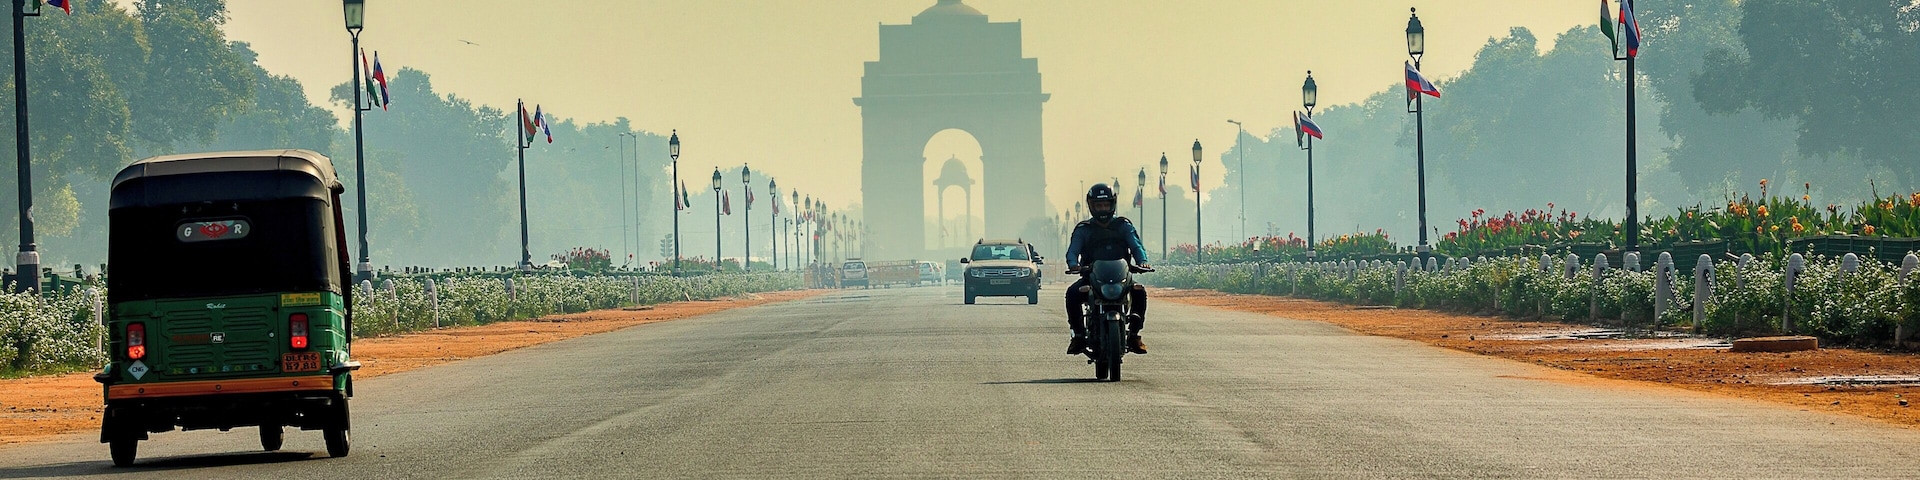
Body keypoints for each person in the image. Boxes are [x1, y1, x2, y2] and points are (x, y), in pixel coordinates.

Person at [1064, 183, 1150, 355]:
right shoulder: (1084, 229)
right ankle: (1079, 335)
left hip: (1122, 277)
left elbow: (1136, 246)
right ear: (1091, 206)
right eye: (1098, 205)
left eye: (1106, 205)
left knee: (1139, 291)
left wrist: (1143, 261)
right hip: (1092, 277)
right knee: (1072, 294)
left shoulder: (1123, 225)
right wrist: (1073, 264)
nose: (1103, 209)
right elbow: (1073, 251)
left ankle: (1134, 334)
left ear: (1112, 204)